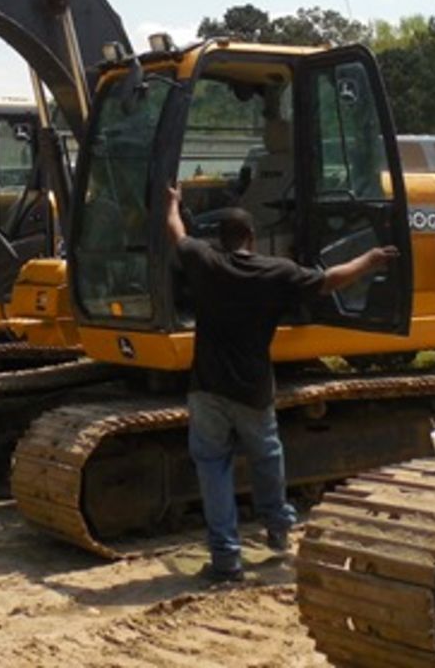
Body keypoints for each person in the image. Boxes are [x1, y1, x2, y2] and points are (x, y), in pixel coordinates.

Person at [163, 181, 398, 582]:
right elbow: (330, 280)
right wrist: (370, 258)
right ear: (252, 239)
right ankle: (278, 531)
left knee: (213, 468)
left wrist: (172, 202)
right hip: (253, 390)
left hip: (207, 388)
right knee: (267, 458)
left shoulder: (204, 261)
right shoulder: (276, 272)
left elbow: (176, 232)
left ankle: (225, 560)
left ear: (220, 239)